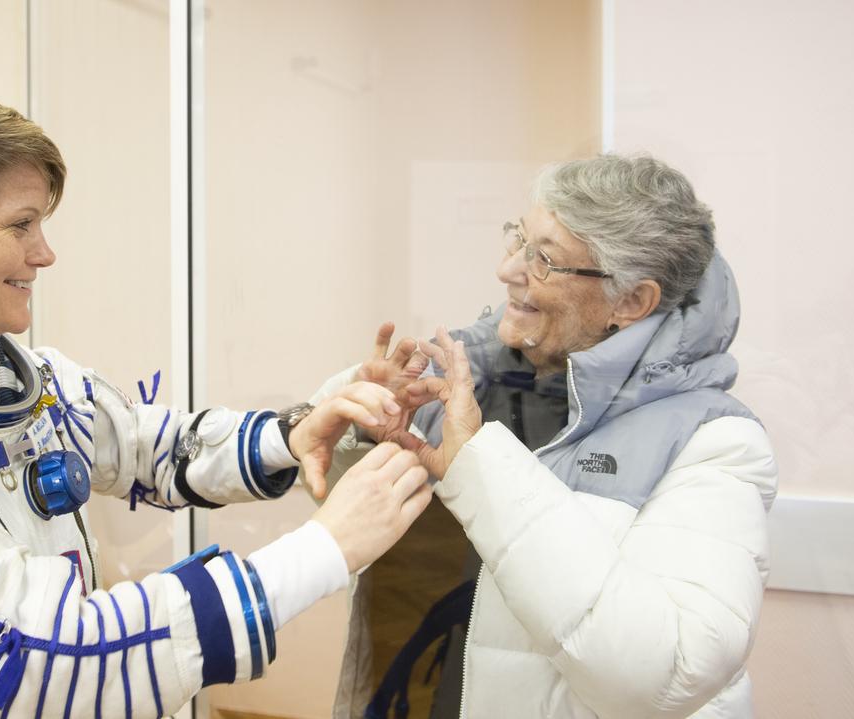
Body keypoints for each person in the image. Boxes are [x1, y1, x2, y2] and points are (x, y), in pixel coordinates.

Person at [0, 80, 433, 718]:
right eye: (19, 224)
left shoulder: (25, 381)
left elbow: (157, 448)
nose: (45, 253)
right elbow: (41, 665)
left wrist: (298, 430)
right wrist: (323, 549)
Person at [315, 155, 778, 718]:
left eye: (544, 258)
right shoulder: (471, 381)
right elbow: (342, 508)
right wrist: (363, 423)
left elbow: (668, 676)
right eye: (518, 239)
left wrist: (480, 472)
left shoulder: (715, 443)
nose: (508, 269)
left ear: (631, 302)